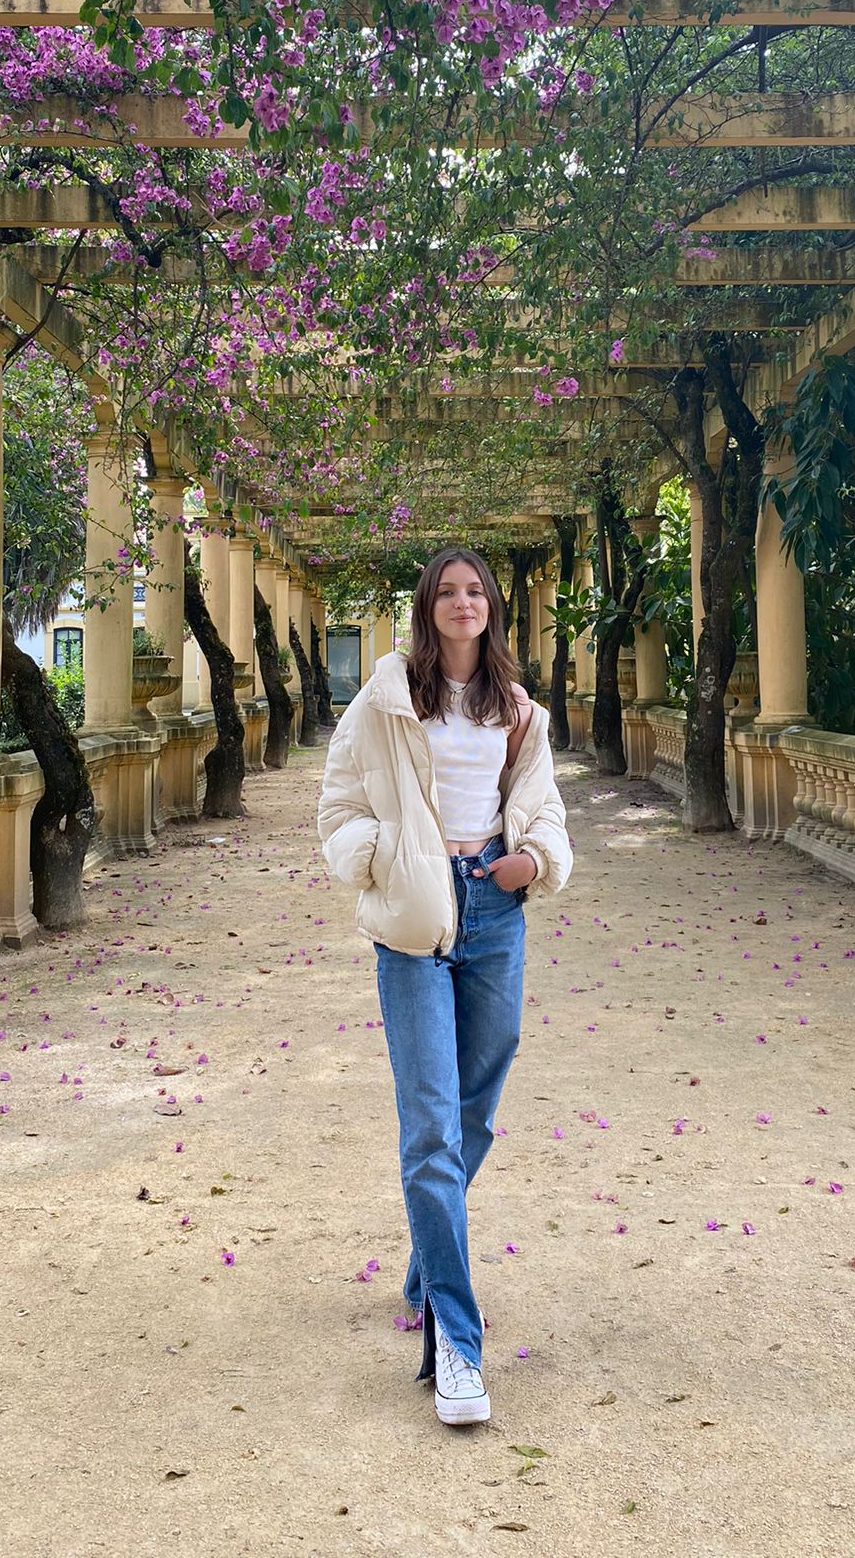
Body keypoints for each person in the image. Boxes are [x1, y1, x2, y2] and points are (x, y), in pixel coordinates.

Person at [317, 547, 573, 1426]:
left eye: (476, 592)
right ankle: (456, 1345)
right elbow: (339, 806)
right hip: (416, 919)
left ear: (491, 606)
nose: (464, 603)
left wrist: (531, 859)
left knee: (475, 1111)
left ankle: (429, 1260)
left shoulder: (517, 709)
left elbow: (543, 804)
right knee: (430, 1125)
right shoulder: (387, 701)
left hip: (494, 911)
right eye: (448, 592)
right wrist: (383, 859)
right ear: (427, 606)